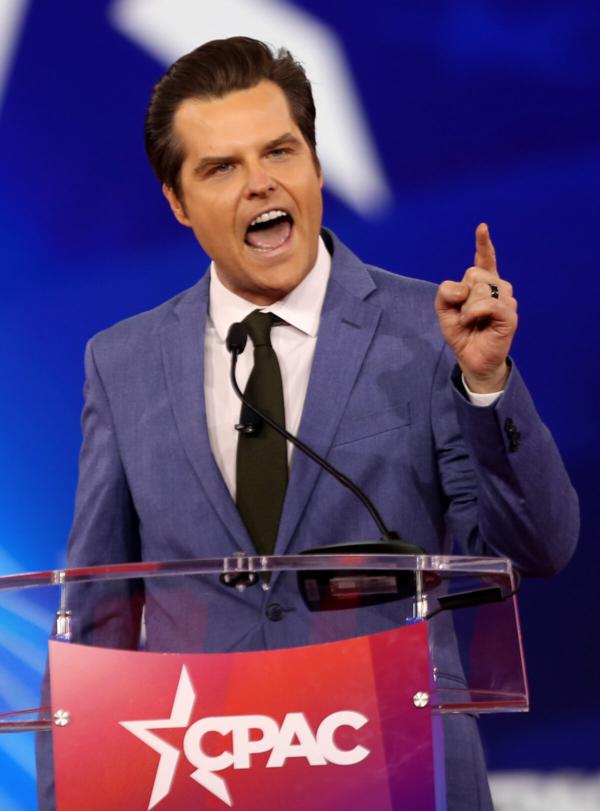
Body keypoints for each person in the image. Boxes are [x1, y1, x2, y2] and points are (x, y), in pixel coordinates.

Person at [38, 37, 579, 810]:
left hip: (400, 777)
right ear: (178, 201)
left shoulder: (429, 333)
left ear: (316, 166)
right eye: (221, 167)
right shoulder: (122, 363)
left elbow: (538, 545)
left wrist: (486, 382)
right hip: (205, 784)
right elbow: (95, 618)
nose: (261, 183)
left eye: (280, 151)